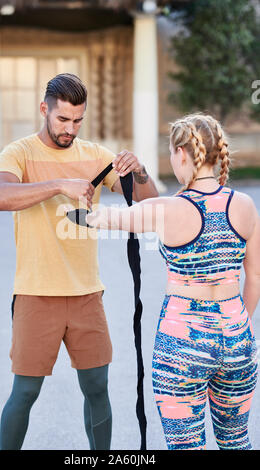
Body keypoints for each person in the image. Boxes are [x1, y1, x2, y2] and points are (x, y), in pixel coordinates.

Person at [0, 73, 159, 450]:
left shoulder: (96, 155)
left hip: (86, 296)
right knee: (25, 392)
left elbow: (150, 204)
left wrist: (140, 170)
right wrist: (59, 184)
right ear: (44, 109)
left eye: (78, 120)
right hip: (35, 294)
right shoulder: (20, 153)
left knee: (97, 388)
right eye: (63, 119)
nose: (70, 129)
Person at [86, 113, 260, 450]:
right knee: (237, 442)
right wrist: (241, 325)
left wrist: (76, 202)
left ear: (182, 153)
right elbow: (254, 275)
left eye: (170, 153)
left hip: (182, 344)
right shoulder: (245, 205)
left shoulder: (168, 208)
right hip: (238, 338)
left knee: (185, 446)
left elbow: (102, 217)